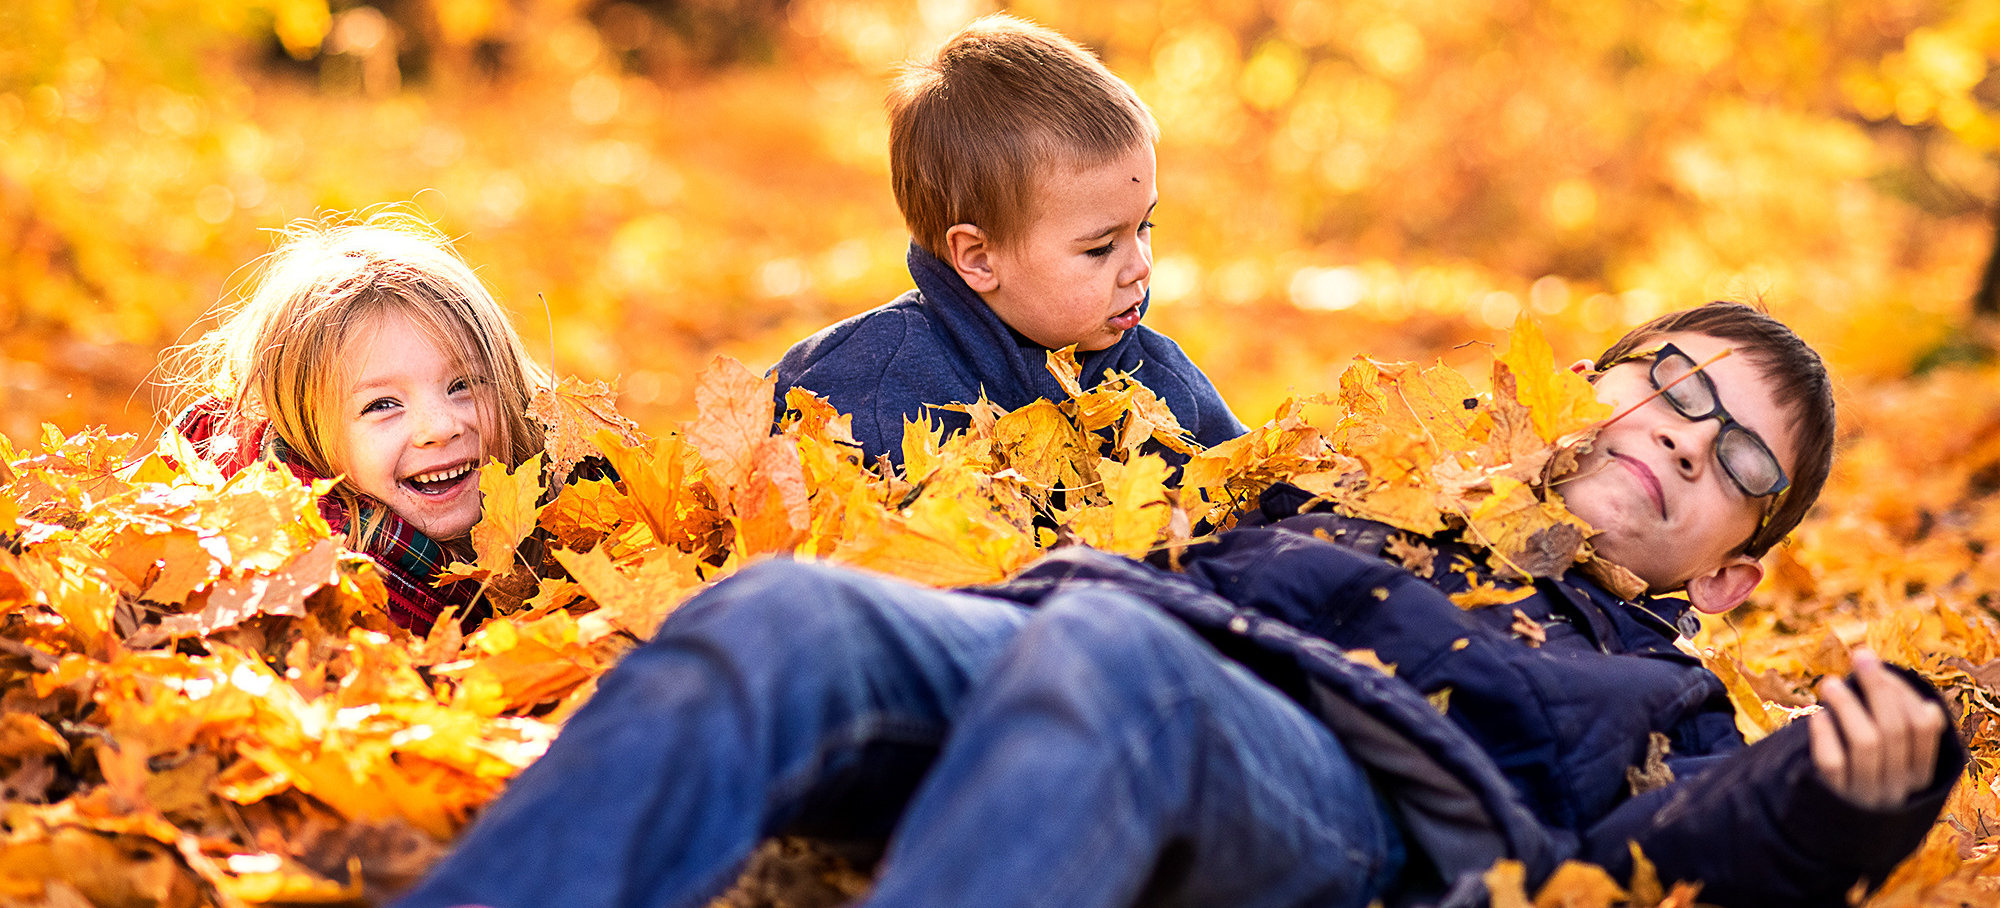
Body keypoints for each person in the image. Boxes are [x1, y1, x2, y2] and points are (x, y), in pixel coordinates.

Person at [393, 301, 1961, 908]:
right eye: (1672, 381)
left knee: (1116, 664)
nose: (1686, 427)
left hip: (1346, 794)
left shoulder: (1667, 690)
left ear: (1737, 568)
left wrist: (1824, 803)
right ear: (1590, 386)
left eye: (1737, 448)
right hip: (1065, 630)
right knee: (787, 617)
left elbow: (1638, 873)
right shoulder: (1368, 469)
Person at [772, 15, 1244, 470]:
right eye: (1100, 248)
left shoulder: (1163, 384)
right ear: (979, 259)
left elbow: (1264, 490)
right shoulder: (857, 383)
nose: (1140, 265)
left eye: (1144, 227)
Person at [166, 212, 567, 633]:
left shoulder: (571, 505)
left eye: (462, 384)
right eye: (382, 405)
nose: (439, 427)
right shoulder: (326, 598)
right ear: (307, 436)